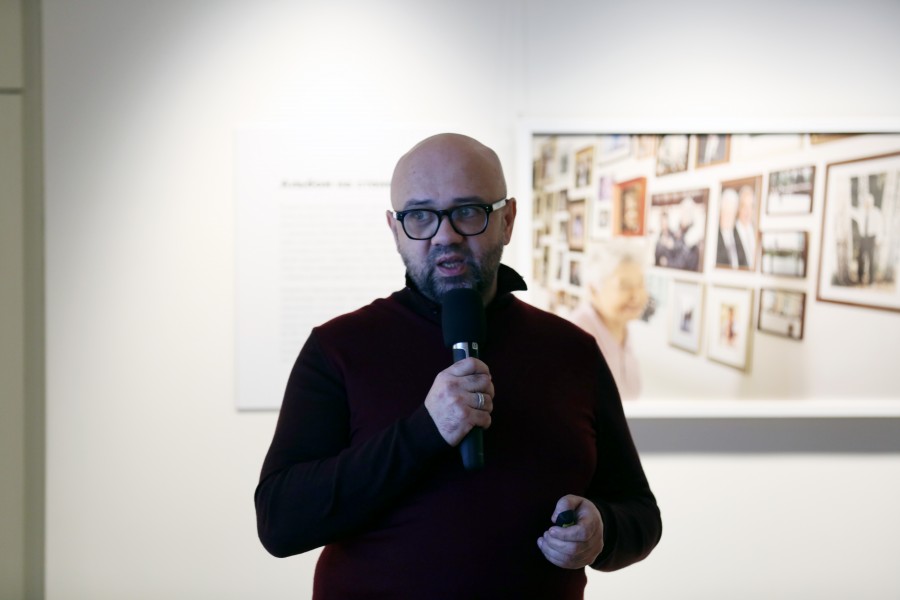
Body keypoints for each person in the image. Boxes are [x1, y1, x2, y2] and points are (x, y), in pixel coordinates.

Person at [255, 133, 662, 598]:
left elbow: (640, 514)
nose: (445, 235)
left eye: (467, 211)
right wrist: (425, 430)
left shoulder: (573, 351)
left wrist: (603, 529)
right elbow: (280, 523)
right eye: (420, 216)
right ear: (394, 229)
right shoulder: (338, 348)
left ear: (507, 220)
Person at [568, 241, 648, 400]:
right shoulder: (575, 337)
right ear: (593, 290)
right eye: (624, 286)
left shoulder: (622, 327)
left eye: (640, 284)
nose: (636, 295)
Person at [716, 188, 748, 268]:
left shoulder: (737, 235)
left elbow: (744, 263)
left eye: (732, 212)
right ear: (720, 211)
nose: (729, 217)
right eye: (726, 212)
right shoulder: (714, 236)